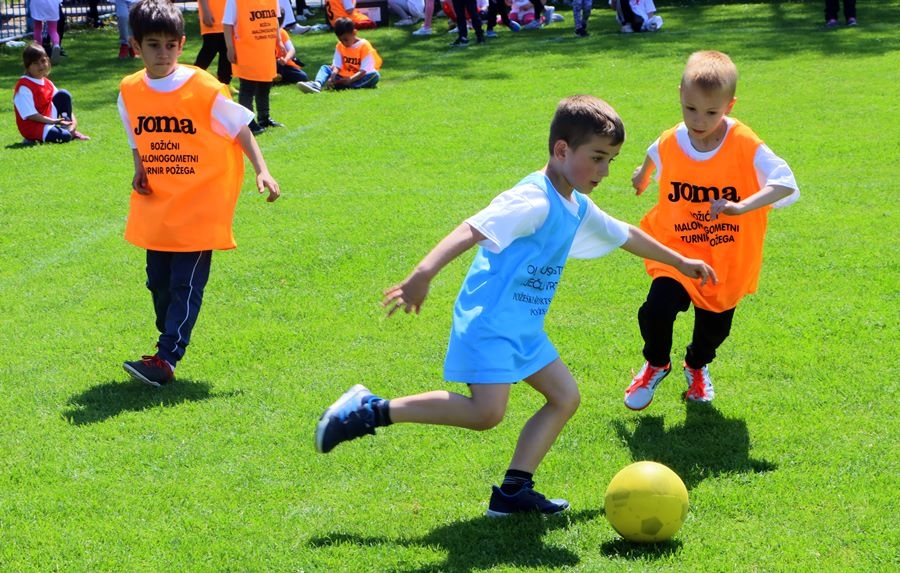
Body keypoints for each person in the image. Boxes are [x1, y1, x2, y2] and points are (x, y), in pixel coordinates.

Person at [314, 95, 717, 516]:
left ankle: (512, 492)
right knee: (487, 413)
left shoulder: (574, 204)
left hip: (523, 325)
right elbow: (472, 228)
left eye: (611, 160)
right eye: (597, 158)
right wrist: (423, 274)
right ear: (562, 150)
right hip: (490, 321)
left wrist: (681, 261)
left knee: (564, 397)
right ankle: (370, 411)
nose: (604, 171)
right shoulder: (534, 200)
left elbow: (624, 233)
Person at [623, 50, 799, 411]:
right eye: (690, 109)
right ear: (680, 96)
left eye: (711, 112)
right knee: (656, 310)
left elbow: (785, 183)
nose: (698, 121)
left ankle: (696, 366)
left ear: (729, 105)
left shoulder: (746, 144)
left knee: (714, 331)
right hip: (677, 248)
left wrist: (741, 206)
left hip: (725, 258)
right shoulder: (673, 137)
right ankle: (656, 363)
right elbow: (657, 149)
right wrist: (643, 174)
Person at [118, 0, 281, 387]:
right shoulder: (129, 90)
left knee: (184, 284)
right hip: (159, 203)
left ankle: (166, 358)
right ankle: (168, 336)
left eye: (170, 45)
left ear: (183, 43)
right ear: (136, 45)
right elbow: (135, 132)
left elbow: (241, 126)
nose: (163, 53)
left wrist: (263, 170)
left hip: (199, 205)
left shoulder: (204, 88)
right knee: (157, 282)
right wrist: (140, 166)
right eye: (153, 44)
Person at [224, 0, 283, 134]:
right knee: (248, 86)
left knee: (265, 83)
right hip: (247, 50)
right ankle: (248, 122)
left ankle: (264, 117)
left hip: (266, 49)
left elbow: (274, 20)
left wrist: (279, 41)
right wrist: (230, 47)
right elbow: (227, 24)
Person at [13, 42, 89, 143]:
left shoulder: (47, 82)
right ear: (27, 66)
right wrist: (53, 121)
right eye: (35, 63)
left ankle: (69, 131)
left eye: (43, 61)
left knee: (63, 94)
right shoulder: (24, 86)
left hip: (48, 121)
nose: (40, 65)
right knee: (65, 137)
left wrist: (73, 122)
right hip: (33, 126)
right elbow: (31, 115)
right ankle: (32, 138)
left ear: (48, 61)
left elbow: (63, 103)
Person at [297, 17, 381, 93]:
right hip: (342, 76)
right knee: (325, 68)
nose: (344, 43)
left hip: (357, 77)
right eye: (341, 40)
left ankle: (347, 86)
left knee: (375, 75)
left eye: (346, 40)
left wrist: (350, 80)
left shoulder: (364, 46)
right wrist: (332, 77)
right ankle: (317, 84)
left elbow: (363, 71)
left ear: (354, 32)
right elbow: (337, 65)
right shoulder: (340, 46)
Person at [194, 0, 233, 85]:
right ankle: (192, 80)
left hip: (228, 17)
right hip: (213, 16)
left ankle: (224, 85)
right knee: (210, 49)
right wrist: (205, 11)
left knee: (226, 53)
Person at [276, 17, 309, 83]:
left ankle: (279, 78)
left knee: (303, 77)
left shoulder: (282, 32)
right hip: (270, 65)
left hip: (284, 65)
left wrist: (285, 60)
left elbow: (292, 50)